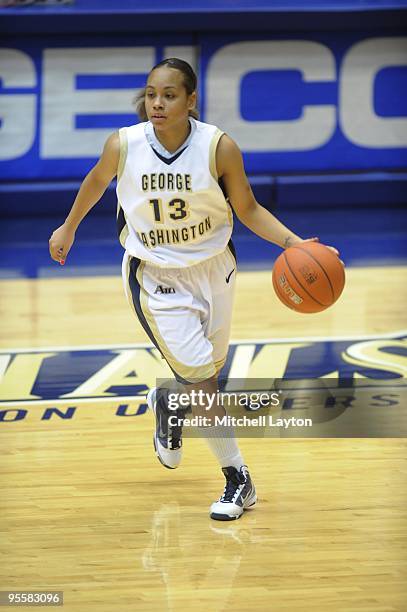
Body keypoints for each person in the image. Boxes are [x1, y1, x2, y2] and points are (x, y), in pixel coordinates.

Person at [49, 58, 338, 521]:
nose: (157, 103)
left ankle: (169, 401)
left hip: (214, 270)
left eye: (168, 95)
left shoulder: (218, 147)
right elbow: (95, 182)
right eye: (151, 94)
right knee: (203, 382)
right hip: (155, 276)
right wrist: (68, 228)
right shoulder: (123, 145)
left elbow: (247, 207)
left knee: (206, 378)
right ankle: (238, 479)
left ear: (190, 101)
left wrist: (295, 243)